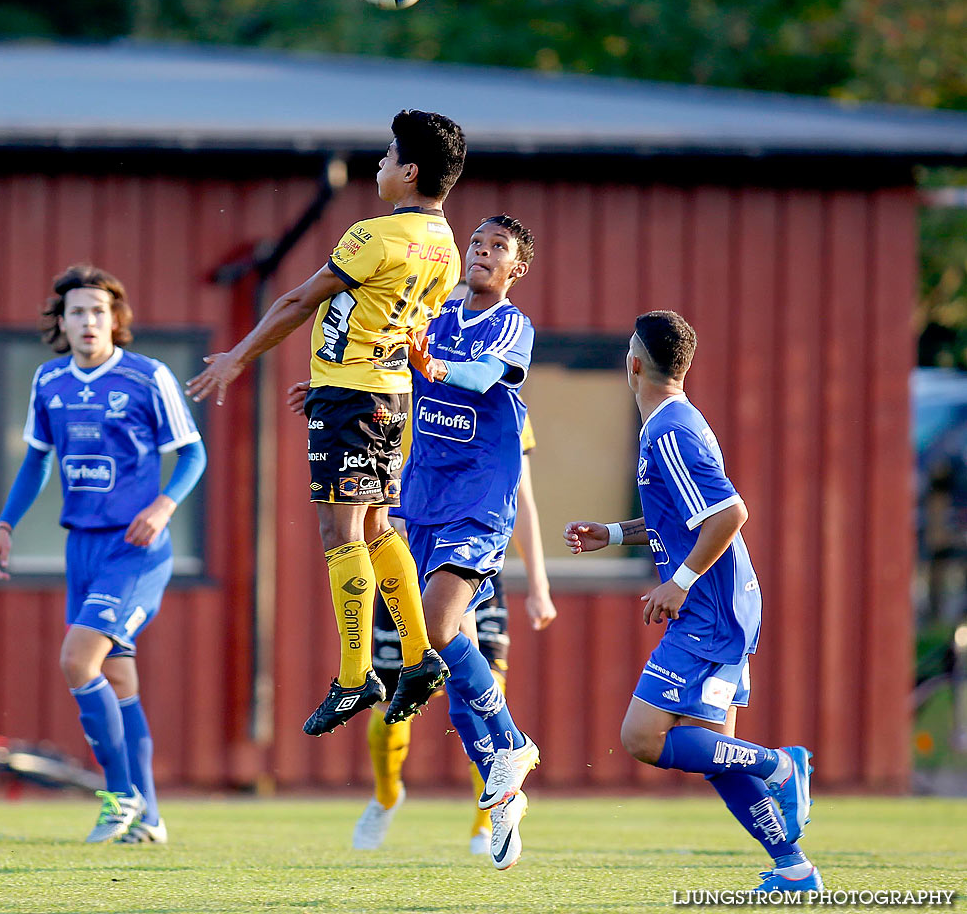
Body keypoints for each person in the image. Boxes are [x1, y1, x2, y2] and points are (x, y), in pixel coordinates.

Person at [186, 110, 468, 734]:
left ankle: (353, 677)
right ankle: (418, 659)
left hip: (354, 401)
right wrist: (327, 374)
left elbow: (296, 300)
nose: (380, 165)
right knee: (373, 525)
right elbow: (395, 321)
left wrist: (236, 357)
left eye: (388, 156)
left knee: (339, 531)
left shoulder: (374, 236)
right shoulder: (447, 248)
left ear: (410, 170)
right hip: (389, 398)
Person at [563, 310, 822, 894]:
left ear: (632, 365)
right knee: (714, 754)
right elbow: (680, 518)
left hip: (710, 608)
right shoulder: (671, 423)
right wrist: (611, 532)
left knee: (642, 738)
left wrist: (678, 582)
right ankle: (794, 868)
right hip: (722, 603)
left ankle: (780, 763)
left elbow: (731, 514)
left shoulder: (669, 430)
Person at [0, 264, 207, 845]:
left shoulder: (147, 377)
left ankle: (120, 796)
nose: (88, 321)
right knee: (118, 680)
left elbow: (192, 456)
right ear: (61, 321)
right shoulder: (48, 383)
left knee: (76, 661)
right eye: (77, 311)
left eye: (99, 311)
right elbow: (35, 462)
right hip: (81, 547)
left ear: (116, 320)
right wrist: (5, 524)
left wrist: (162, 507)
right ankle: (151, 818)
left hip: (136, 548)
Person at [395, 213, 543, 870]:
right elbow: (396, 376)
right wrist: (328, 394)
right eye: (476, 244)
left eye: (498, 249)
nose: (481, 254)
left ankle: (511, 744)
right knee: (447, 662)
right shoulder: (433, 311)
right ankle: (504, 788)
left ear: (517, 269)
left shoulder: (512, 326)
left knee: (439, 619)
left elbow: (481, 378)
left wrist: (423, 356)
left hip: (479, 500)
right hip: (422, 498)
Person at [352, 415, 557, 856]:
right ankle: (386, 796)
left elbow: (522, 499)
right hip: (404, 571)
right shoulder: (399, 394)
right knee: (391, 705)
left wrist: (539, 587)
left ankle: (489, 823)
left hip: (473, 566)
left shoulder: (507, 404)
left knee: (482, 687)